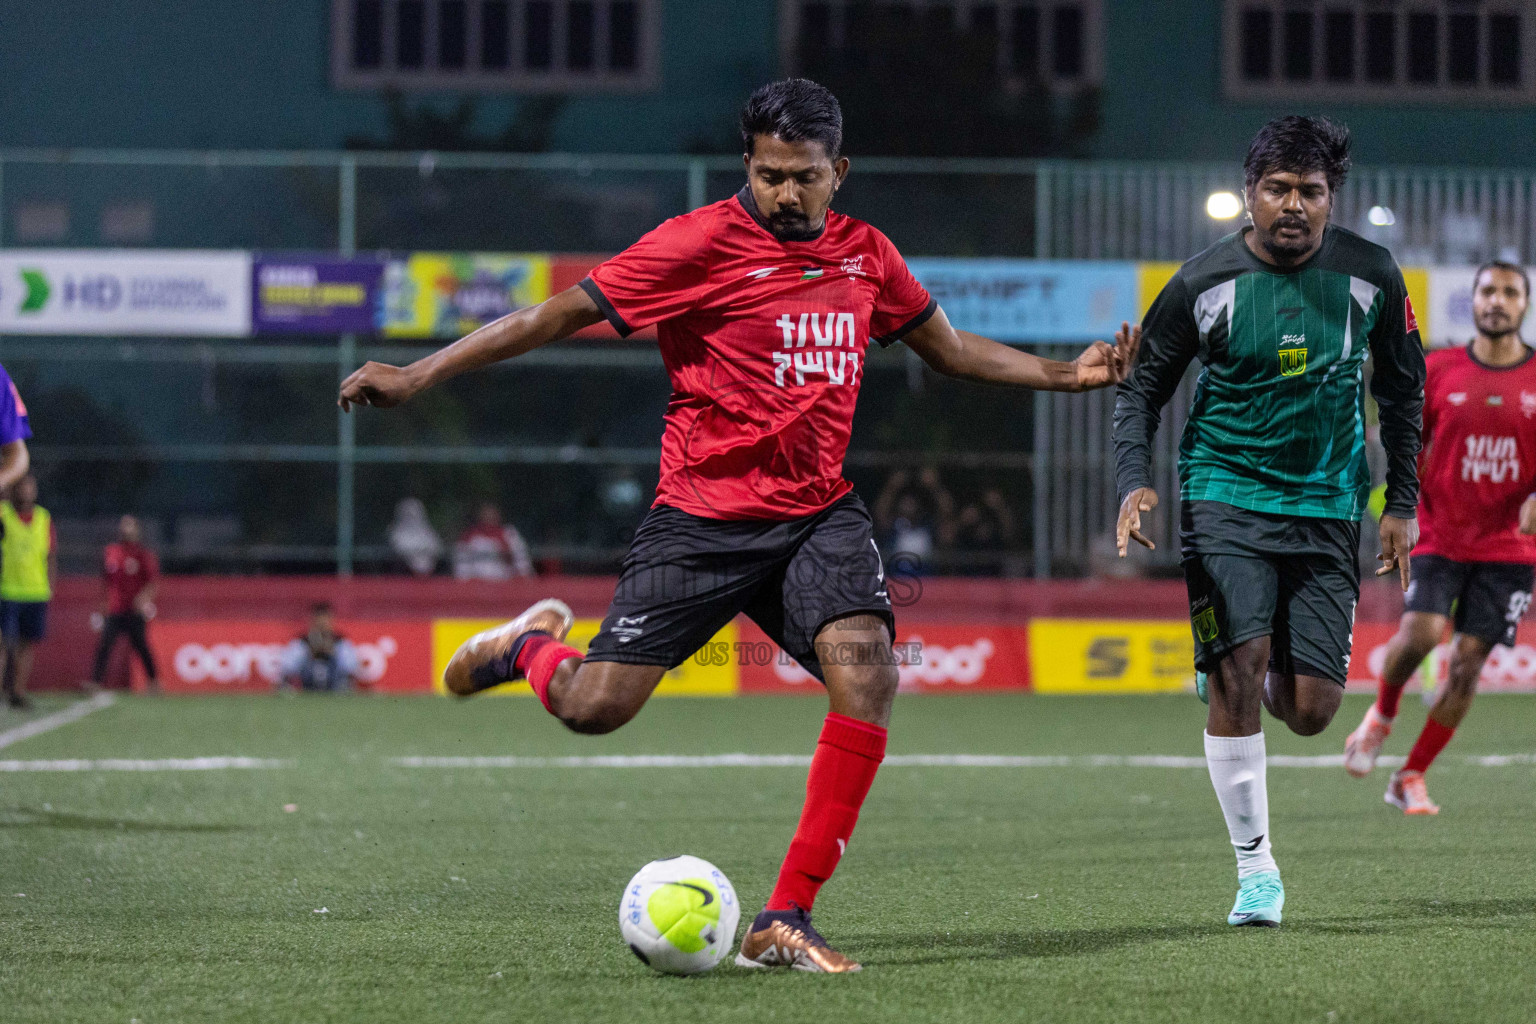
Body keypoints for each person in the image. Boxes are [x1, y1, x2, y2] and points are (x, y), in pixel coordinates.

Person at [340, 79, 1139, 972]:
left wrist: (1069, 376)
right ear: (748, 168)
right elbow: (550, 315)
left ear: (839, 170)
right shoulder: (694, 244)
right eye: (768, 176)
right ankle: (524, 648)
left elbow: (948, 351)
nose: (786, 195)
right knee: (593, 710)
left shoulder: (868, 255)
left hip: (816, 518)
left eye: (803, 177)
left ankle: (783, 917)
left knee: (867, 680)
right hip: (701, 521)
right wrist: (418, 375)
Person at [1112, 116, 1424, 928]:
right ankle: (1257, 874)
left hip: (1326, 508)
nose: (1293, 205)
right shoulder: (1200, 281)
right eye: (1277, 189)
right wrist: (1130, 482)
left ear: (1331, 198)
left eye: (1310, 192)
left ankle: (1226, 664)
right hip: (1225, 494)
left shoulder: (1374, 275)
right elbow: (1141, 388)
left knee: (1313, 709)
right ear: (1249, 194)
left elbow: (1402, 393)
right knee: (1240, 669)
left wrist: (1400, 504)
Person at [1343, 261, 1536, 813]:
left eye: (1510, 292)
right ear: (1472, 301)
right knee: (1424, 633)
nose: (1497, 300)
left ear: (1523, 304)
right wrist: (1397, 507)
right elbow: (1405, 442)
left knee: (1470, 664)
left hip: (1509, 550)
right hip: (1438, 534)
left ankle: (1410, 775)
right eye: (1487, 291)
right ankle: (1382, 713)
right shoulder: (1439, 369)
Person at [89, 515, 161, 692]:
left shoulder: (143, 555)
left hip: (134, 610)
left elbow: (152, 582)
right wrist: (104, 602)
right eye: (123, 526)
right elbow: (107, 581)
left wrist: (143, 599)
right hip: (115, 608)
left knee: (141, 646)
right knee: (105, 644)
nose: (125, 529)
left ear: (137, 529)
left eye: (129, 526)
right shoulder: (112, 552)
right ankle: (95, 683)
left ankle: (154, 682)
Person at [0, 475, 54, 709]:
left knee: (26, 645)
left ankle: (18, 693)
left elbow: (51, 555)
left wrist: (50, 585)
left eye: (30, 487)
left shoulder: (43, 518)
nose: (26, 492)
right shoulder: (3, 514)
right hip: (7, 590)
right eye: (21, 487)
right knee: (2, 644)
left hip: (35, 591)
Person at [280, 603, 360, 692]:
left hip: (334, 686)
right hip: (307, 684)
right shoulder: (302, 641)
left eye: (325, 620)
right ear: (312, 620)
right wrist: (309, 653)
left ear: (331, 620)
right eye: (319, 619)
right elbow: (287, 666)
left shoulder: (340, 641)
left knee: (344, 653)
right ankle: (288, 687)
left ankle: (345, 687)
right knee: (297, 652)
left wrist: (332, 652)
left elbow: (351, 666)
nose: (322, 623)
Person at [452, 502, 534, 580]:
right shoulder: (469, 537)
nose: (489, 517)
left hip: (505, 584)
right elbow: (462, 570)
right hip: (477, 585)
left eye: (492, 513)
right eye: (486, 514)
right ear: (479, 516)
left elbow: (523, 564)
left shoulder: (509, 535)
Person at [388, 497, 443, 575]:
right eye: (408, 513)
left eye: (415, 512)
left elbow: (437, 548)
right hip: (403, 578)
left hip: (430, 579)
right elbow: (400, 549)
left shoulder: (428, 533)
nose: (412, 516)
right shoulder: (396, 534)